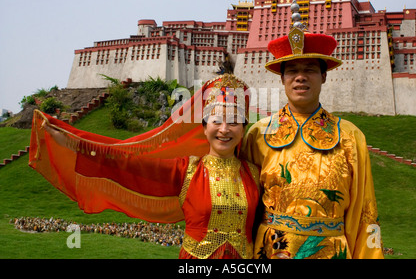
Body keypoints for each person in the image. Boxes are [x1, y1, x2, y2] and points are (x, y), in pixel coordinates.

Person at [29, 73, 260, 259]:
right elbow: (127, 163)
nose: (224, 129)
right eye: (216, 121)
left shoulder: (255, 175)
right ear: (203, 127)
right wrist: (73, 141)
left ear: (243, 127)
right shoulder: (186, 171)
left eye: (234, 122)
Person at [241, 1, 384, 259]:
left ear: (324, 76)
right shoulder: (259, 134)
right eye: (292, 71)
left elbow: (365, 212)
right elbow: (245, 207)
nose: (300, 77)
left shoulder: (350, 137)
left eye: (309, 70)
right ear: (282, 78)